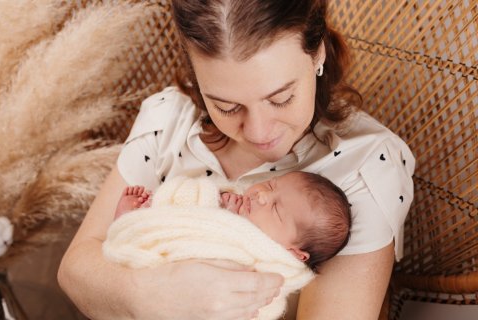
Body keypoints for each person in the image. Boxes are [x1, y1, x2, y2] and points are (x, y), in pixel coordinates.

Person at [58, 0, 415, 319]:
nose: (259, 133)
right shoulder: (167, 119)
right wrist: (148, 295)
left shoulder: (364, 166)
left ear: (317, 53)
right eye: (226, 106)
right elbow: (75, 269)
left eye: (281, 98)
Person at [112, 171, 352, 271]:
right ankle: (134, 222)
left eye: (276, 209)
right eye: (271, 184)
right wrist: (217, 201)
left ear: (294, 253)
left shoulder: (265, 265)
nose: (262, 195)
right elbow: (196, 208)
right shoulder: (236, 201)